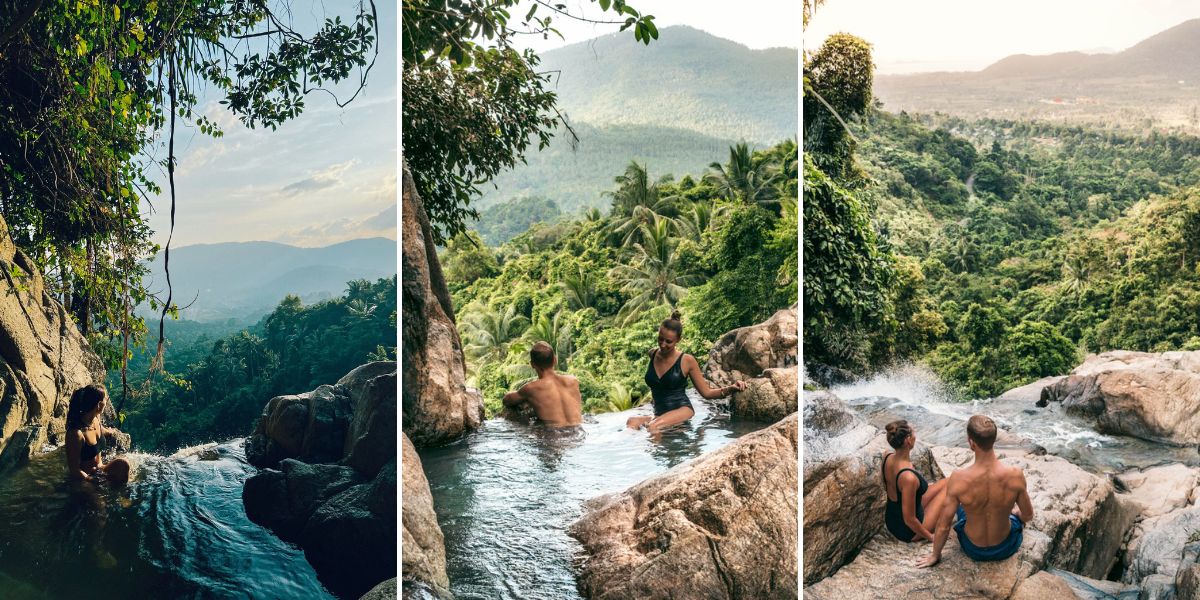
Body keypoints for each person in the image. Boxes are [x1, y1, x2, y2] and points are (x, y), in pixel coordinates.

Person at [918, 415, 1034, 567]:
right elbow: (1028, 515)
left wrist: (935, 555)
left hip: (973, 549)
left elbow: (944, 525)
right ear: (994, 440)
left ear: (971, 443)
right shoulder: (1014, 475)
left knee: (961, 505)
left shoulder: (959, 478)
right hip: (1006, 546)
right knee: (1013, 510)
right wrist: (1017, 512)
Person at [626, 310, 746, 433]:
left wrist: (731, 388)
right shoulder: (653, 354)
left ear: (678, 340)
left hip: (682, 409)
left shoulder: (687, 361)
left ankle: (657, 452)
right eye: (660, 339)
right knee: (631, 422)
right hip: (659, 414)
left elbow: (707, 393)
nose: (662, 345)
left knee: (653, 427)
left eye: (668, 341)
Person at [881, 420, 949, 543]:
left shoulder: (887, 456)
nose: (915, 435)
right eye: (913, 433)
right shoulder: (908, 477)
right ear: (908, 440)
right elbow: (909, 519)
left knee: (951, 480)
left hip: (892, 518)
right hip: (907, 530)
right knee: (950, 489)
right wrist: (931, 537)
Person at [502, 341, 583, 428]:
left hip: (553, 437)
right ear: (555, 360)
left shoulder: (531, 388)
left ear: (532, 364)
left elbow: (507, 400)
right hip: (578, 434)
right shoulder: (573, 381)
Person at [65, 384, 130, 485]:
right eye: (105, 399)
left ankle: (122, 495)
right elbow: (74, 470)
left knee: (123, 464)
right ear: (99, 405)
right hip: (86, 479)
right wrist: (92, 481)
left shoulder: (95, 419)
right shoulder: (75, 434)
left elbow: (101, 430)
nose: (106, 402)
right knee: (101, 501)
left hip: (100, 470)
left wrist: (111, 431)